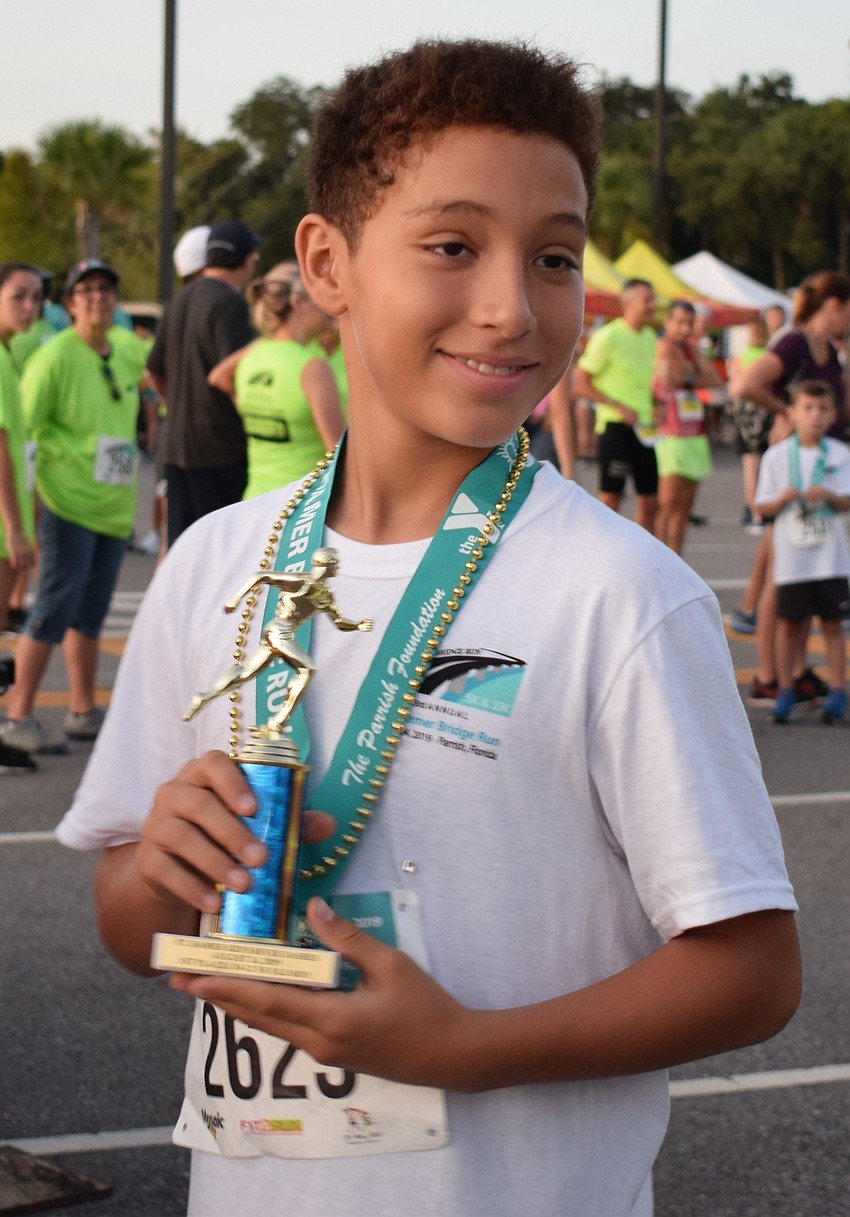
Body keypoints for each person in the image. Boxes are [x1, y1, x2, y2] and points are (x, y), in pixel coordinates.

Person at [58, 40, 800, 1217]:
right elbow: (129, 915)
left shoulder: (622, 593)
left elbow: (753, 971)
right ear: (327, 263)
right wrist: (156, 868)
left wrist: (463, 1043)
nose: (511, 306)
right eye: (453, 246)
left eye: (554, 257)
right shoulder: (214, 565)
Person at [0, 259, 146, 755]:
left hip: (114, 506)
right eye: (86, 291)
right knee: (53, 609)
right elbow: (25, 432)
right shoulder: (53, 357)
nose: (98, 298)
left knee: (92, 613)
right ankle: (18, 712)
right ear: (69, 305)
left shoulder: (125, 350)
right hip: (67, 503)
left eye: (106, 289)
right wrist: (27, 510)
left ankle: (83, 709)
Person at [730, 270, 850, 706]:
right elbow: (745, 384)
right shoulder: (795, 342)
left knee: (791, 573)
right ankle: (768, 674)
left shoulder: (828, 350)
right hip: (790, 474)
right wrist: (788, 412)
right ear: (834, 305)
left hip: (818, 469)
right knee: (778, 579)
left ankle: (794, 672)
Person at [146, 220, 260, 546]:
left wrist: (182, 404)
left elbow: (153, 371)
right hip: (220, 449)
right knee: (224, 554)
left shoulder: (179, 300)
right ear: (247, 260)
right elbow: (236, 375)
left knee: (187, 553)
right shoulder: (230, 303)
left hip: (177, 446)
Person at [754, 381, 850, 723]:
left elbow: (847, 500)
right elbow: (761, 508)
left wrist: (829, 496)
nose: (816, 416)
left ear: (833, 414)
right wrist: (782, 500)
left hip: (831, 558)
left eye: (823, 409)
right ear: (791, 413)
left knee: (833, 626)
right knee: (790, 626)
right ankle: (785, 689)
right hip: (793, 561)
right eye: (808, 408)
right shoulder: (777, 457)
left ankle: (838, 690)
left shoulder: (840, 454)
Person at [208, 264, 344, 499]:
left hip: (256, 503)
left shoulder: (251, 358)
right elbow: (340, 457)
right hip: (301, 508)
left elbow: (219, 378)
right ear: (297, 302)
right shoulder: (312, 368)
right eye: (318, 296)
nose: (326, 306)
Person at [0, 262, 43, 774]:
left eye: (35, 297)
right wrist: (14, 524)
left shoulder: (11, 356)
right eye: (18, 297)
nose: (30, 307)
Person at [574, 278, 659, 531]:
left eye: (653, 300)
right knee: (611, 497)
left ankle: (644, 560)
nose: (653, 306)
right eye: (648, 300)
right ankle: (601, 556)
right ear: (628, 302)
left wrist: (657, 404)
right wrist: (617, 405)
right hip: (615, 426)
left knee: (650, 500)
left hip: (645, 428)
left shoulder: (651, 337)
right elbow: (580, 384)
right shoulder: (608, 336)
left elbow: (647, 383)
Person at [652, 299, 722, 554]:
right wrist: (692, 376)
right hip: (670, 433)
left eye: (689, 323)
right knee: (668, 504)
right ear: (667, 321)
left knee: (684, 507)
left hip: (694, 432)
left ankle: (676, 560)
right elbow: (670, 378)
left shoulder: (691, 350)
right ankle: (660, 560)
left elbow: (713, 379)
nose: (684, 328)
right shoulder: (663, 346)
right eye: (680, 322)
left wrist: (688, 376)